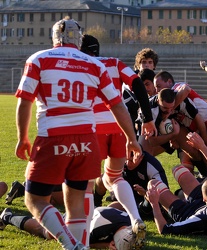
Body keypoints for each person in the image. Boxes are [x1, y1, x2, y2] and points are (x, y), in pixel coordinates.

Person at [14, 17, 142, 250]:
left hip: (53, 137)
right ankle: (76, 245)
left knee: (34, 200)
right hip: (86, 141)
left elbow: (25, 102)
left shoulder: (39, 59)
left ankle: (71, 244)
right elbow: (118, 105)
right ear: (80, 39)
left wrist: (23, 137)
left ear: (54, 37)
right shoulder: (95, 65)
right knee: (76, 204)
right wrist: (132, 140)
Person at [80, 34, 153, 249]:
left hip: (92, 126)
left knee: (85, 181)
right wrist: (147, 118)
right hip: (120, 126)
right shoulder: (114, 63)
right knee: (114, 177)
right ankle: (135, 218)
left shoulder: (78, 65)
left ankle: (81, 228)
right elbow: (137, 82)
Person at [146, 132, 207, 235]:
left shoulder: (199, 220)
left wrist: (154, 204)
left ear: (204, 198)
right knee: (178, 169)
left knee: (153, 184)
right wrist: (202, 147)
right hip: (203, 204)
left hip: (187, 212)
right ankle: (184, 198)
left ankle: (174, 202)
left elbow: (165, 230)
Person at [153, 70, 207, 174]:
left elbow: (186, 89)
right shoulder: (165, 104)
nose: (157, 90)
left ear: (169, 82)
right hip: (199, 129)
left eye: (158, 86)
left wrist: (169, 111)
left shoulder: (176, 87)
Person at [0, 206, 137, 250]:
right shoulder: (99, 229)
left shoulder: (133, 224)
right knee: (45, 232)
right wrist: (105, 244)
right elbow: (82, 243)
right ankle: (8, 217)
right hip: (80, 218)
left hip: (93, 210)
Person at [94, 150, 169, 219]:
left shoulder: (151, 165)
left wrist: (145, 193)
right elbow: (109, 178)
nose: (127, 162)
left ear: (141, 156)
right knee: (101, 179)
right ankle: (96, 203)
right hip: (127, 194)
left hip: (146, 203)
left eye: (131, 160)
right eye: (126, 158)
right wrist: (113, 190)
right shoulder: (121, 160)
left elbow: (163, 193)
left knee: (112, 208)